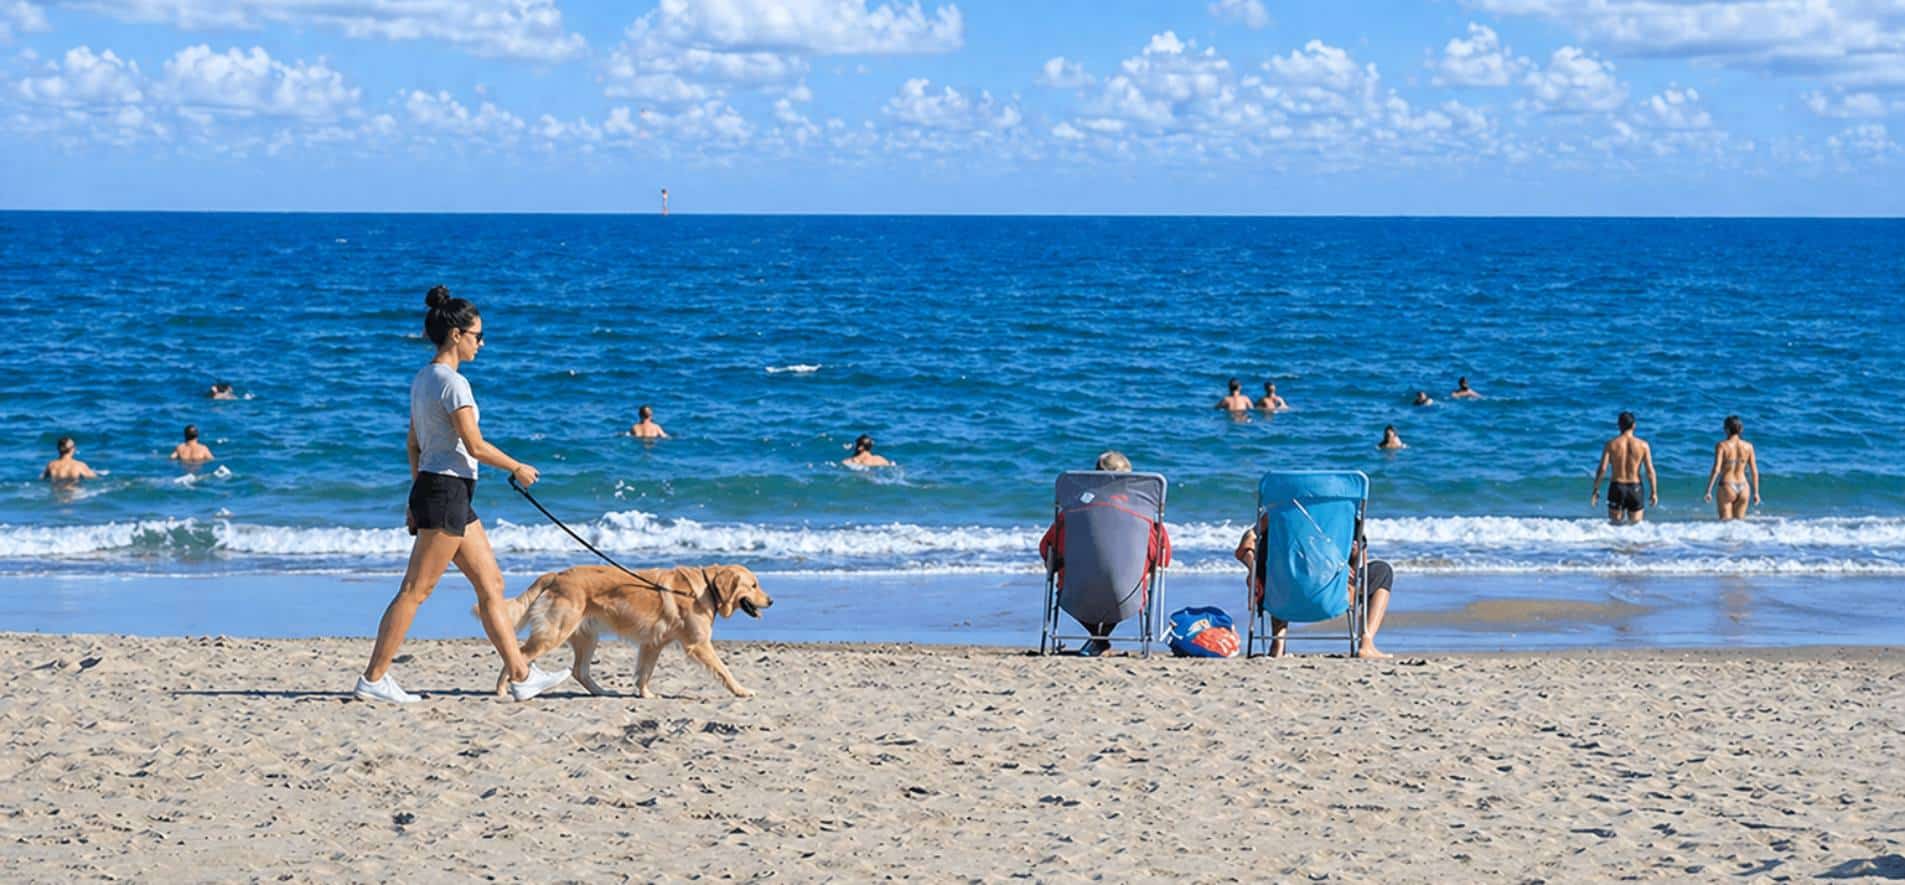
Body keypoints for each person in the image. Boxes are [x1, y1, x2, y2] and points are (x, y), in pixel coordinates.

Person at [356, 285, 569, 704]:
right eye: (477, 336)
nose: (481, 343)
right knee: (415, 591)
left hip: (440, 491)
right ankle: (374, 678)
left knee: (492, 584)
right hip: (445, 492)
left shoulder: (423, 379)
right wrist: (516, 466)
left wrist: (415, 493)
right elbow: (474, 445)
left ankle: (522, 675)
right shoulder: (453, 384)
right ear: (456, 335)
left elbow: (413, 443)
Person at [1039, 450, 1170, 656]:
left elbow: (1047, 549)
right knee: (1128, 579)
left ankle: (1097, 638)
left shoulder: (1072, 513)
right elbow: (1162, 557)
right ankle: (1102, 638)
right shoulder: (1143, 517)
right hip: (1127, 597)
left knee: (1070, 575)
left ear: (1096, 478)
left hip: (1075, 595)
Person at [1235, 528, 1394, 658]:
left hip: (1287, 594)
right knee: (1383, 571)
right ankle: (1366, 642)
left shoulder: (1279, 510)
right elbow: (1358, 552)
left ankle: (1278, 643)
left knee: (1278, 568)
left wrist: (1253, 571)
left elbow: (1244, 546)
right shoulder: (1345, 509)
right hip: (1335, 595)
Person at [1590, 410, 1658, 525]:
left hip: (1617, 487)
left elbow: (1602, 469)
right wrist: (1654, 492)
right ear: (1634, 425)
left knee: (1615, 527)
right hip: (1635, 488)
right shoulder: (1643, 445)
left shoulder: (1611, 444)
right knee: (1636, 527)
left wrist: (1596, 489)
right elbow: (1650, 471)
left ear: (1619, 425)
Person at [1703, 415, 1760, 520]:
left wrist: (1708, 491)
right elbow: (1754, 471)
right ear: (1741, 429)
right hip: (1744, 487)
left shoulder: (1722, 446)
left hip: (1727, 486)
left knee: (1725, 523)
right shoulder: (1749, 446)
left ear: (1726, 429)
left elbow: (1716, 469)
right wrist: (1756, 493)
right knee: (1739, 524)